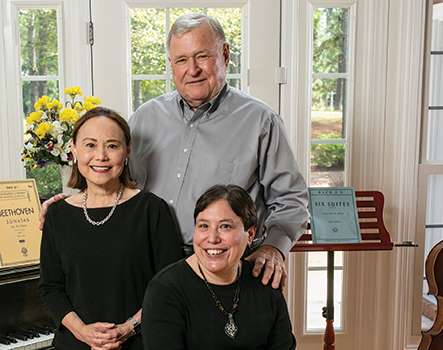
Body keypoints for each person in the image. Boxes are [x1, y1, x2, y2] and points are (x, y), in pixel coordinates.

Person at [41, 13, 309, 290]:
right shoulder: (144, 119)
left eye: (202, 56)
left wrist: (273, 248)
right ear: (171, 64)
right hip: (146, 266)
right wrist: (73, 202)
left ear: (225, 54)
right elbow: (114, 182)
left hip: (223, 266)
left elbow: (291, 199)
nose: (191, 69)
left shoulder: (260, 121)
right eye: (181, 60)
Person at [37, 107, 183, 350]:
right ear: (73, 149)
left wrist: (127, 329)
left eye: (112, 146)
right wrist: (83, 332)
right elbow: (50, 287)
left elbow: (170, 288)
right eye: (90, 145)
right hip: (74, 344)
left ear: (127, 150)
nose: (101, 156)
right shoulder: (58, 214)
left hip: (139, 343)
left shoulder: (152, 210)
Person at [141, 184, 296, 349]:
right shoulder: (165, 290)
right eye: (204, 226)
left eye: (225, 226)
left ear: (250, 234)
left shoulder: (265, 283)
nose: (212, 238)